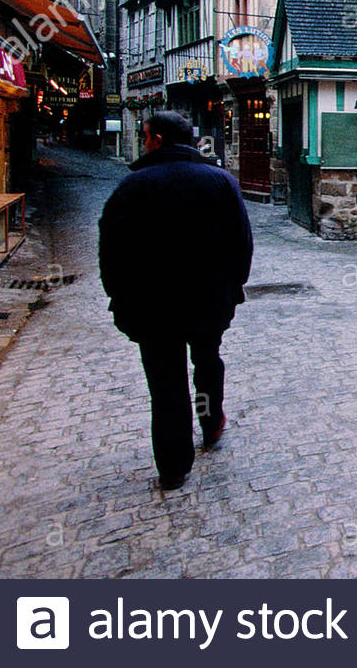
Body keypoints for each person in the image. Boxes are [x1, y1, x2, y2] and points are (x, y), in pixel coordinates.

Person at [99, 111, 253, 490]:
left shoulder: (132, 187)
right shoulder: (221, 182)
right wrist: (233, 287)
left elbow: (111, 251)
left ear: (156, 140)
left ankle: (173, 465)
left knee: (165, 382)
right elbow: (242, 243)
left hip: (152, 306)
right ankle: (211, 422)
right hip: (208, 301)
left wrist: (119, 298)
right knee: (206, 360)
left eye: (147, 135)